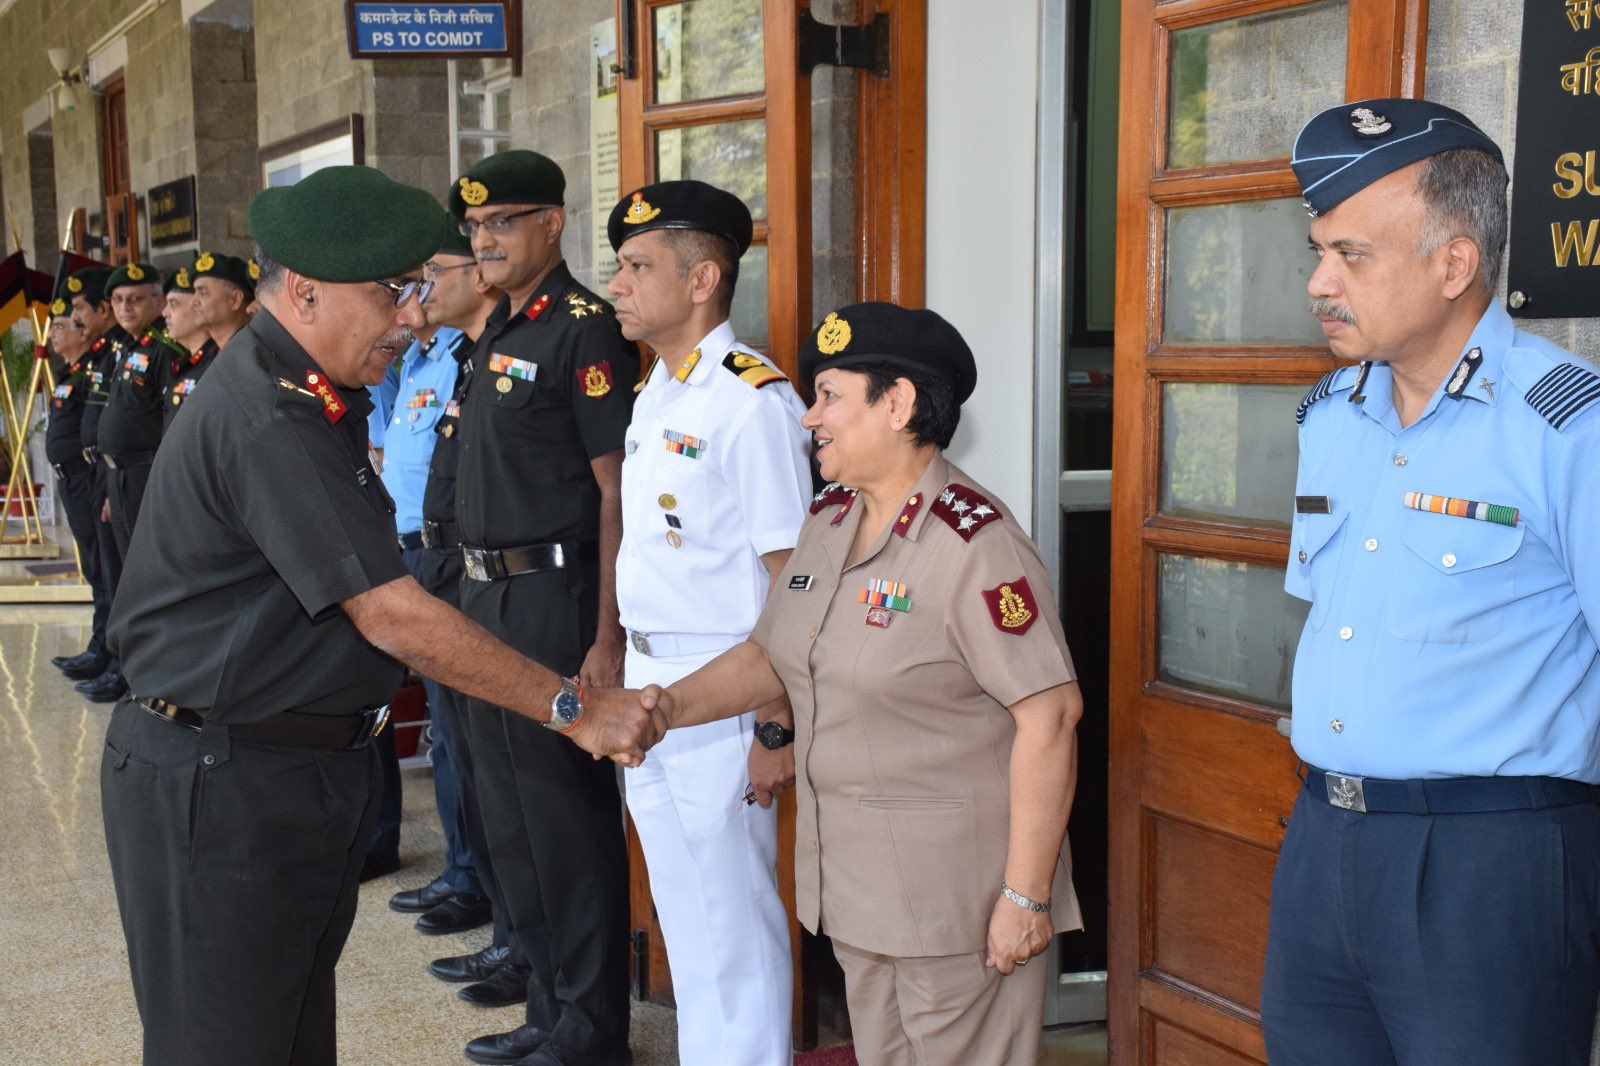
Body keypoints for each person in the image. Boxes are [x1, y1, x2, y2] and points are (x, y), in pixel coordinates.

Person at [100, 165, 663, 1066]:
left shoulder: (316, 396)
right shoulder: (268, 417)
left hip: (280, 769)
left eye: (415, 288)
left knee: (284, 1035)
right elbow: (392, 613)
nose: (413, 314)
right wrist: (575, 707)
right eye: (391, 292)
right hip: (222, 781)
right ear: (307, 290)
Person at [637, 302, 1085, 1066]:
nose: (810, 417)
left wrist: (1025, 896)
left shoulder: (978, 546)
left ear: (899, 404)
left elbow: (1052, 718)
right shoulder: (832, 519)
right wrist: (662, 709)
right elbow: (770, 655)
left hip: (958, 909)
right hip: (857, 893)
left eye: (830, 396)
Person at [1259, 99, 1600, 1066]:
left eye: (1353, 256)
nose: (1321, 282)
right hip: (1327, 840)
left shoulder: (1566, 427)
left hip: (1489, 865)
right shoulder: (1329, 415)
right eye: (1319, 250)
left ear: (1455, 264)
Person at [605, 179, 809, 1066]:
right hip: (650, 693)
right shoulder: (657, 394)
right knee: (686, 920)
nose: (618, 283)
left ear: (701, 280)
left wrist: (776, 723)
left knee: (735, 924)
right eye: (619, 265)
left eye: (638, 265)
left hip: (725, 693)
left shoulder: (749, 400)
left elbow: (792, 584)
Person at [448, 148, 639, 1066]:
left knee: (563, 821)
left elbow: (615, 491)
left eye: (502, 222)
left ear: (552, 224)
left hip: (554, 600)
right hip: (484, 598)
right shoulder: (497, 327)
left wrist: (608, 634)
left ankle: (592, 1031)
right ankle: (545, 1003)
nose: (484, 238)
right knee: (507, 817)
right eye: (476, 227)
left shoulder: (580, 328)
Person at [411, 233, 536, 1009]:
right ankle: (509, 937)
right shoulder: (465, 359)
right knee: (474, 766)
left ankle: (528, 952)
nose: (421, 289)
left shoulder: (524, 349)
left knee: (519, 791)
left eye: (434, 274)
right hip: (454, 574)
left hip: (506, 584)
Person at [363, 214, 491, 916]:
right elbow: (382, 436)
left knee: (455, 724)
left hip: (443, 549)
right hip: (404, 543)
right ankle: (460, 866)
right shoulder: (412, 360)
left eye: (418, 285)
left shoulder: (458, 359)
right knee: (440, 727)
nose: (409, 301)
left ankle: (472, 873)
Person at [68, 267, 131, 702]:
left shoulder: (136, 351)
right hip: (96, 471)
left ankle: (123, 665)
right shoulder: (106, 352)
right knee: (102, 570)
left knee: (122, 577)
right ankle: (107, 653)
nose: (73, 318)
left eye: (77, 309)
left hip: (124, 475)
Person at [44, 289, 113, 681]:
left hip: (88, 475)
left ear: (82, 332)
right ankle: (98, 645)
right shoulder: (68, 372)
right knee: (92, 565)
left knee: (103, 567)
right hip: (70, 478)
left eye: (60, 326)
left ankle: (106, 650)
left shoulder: (91, 370)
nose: (52, 334)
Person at [96, 260, 177, 557]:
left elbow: (171, 415)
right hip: (119, 474)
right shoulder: (128, 346)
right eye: (117, 300)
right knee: (129, 567)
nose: (125, 307)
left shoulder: (164, 347)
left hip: (146, 472)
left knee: (150, 563)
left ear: (158, 301)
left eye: (135, 299)